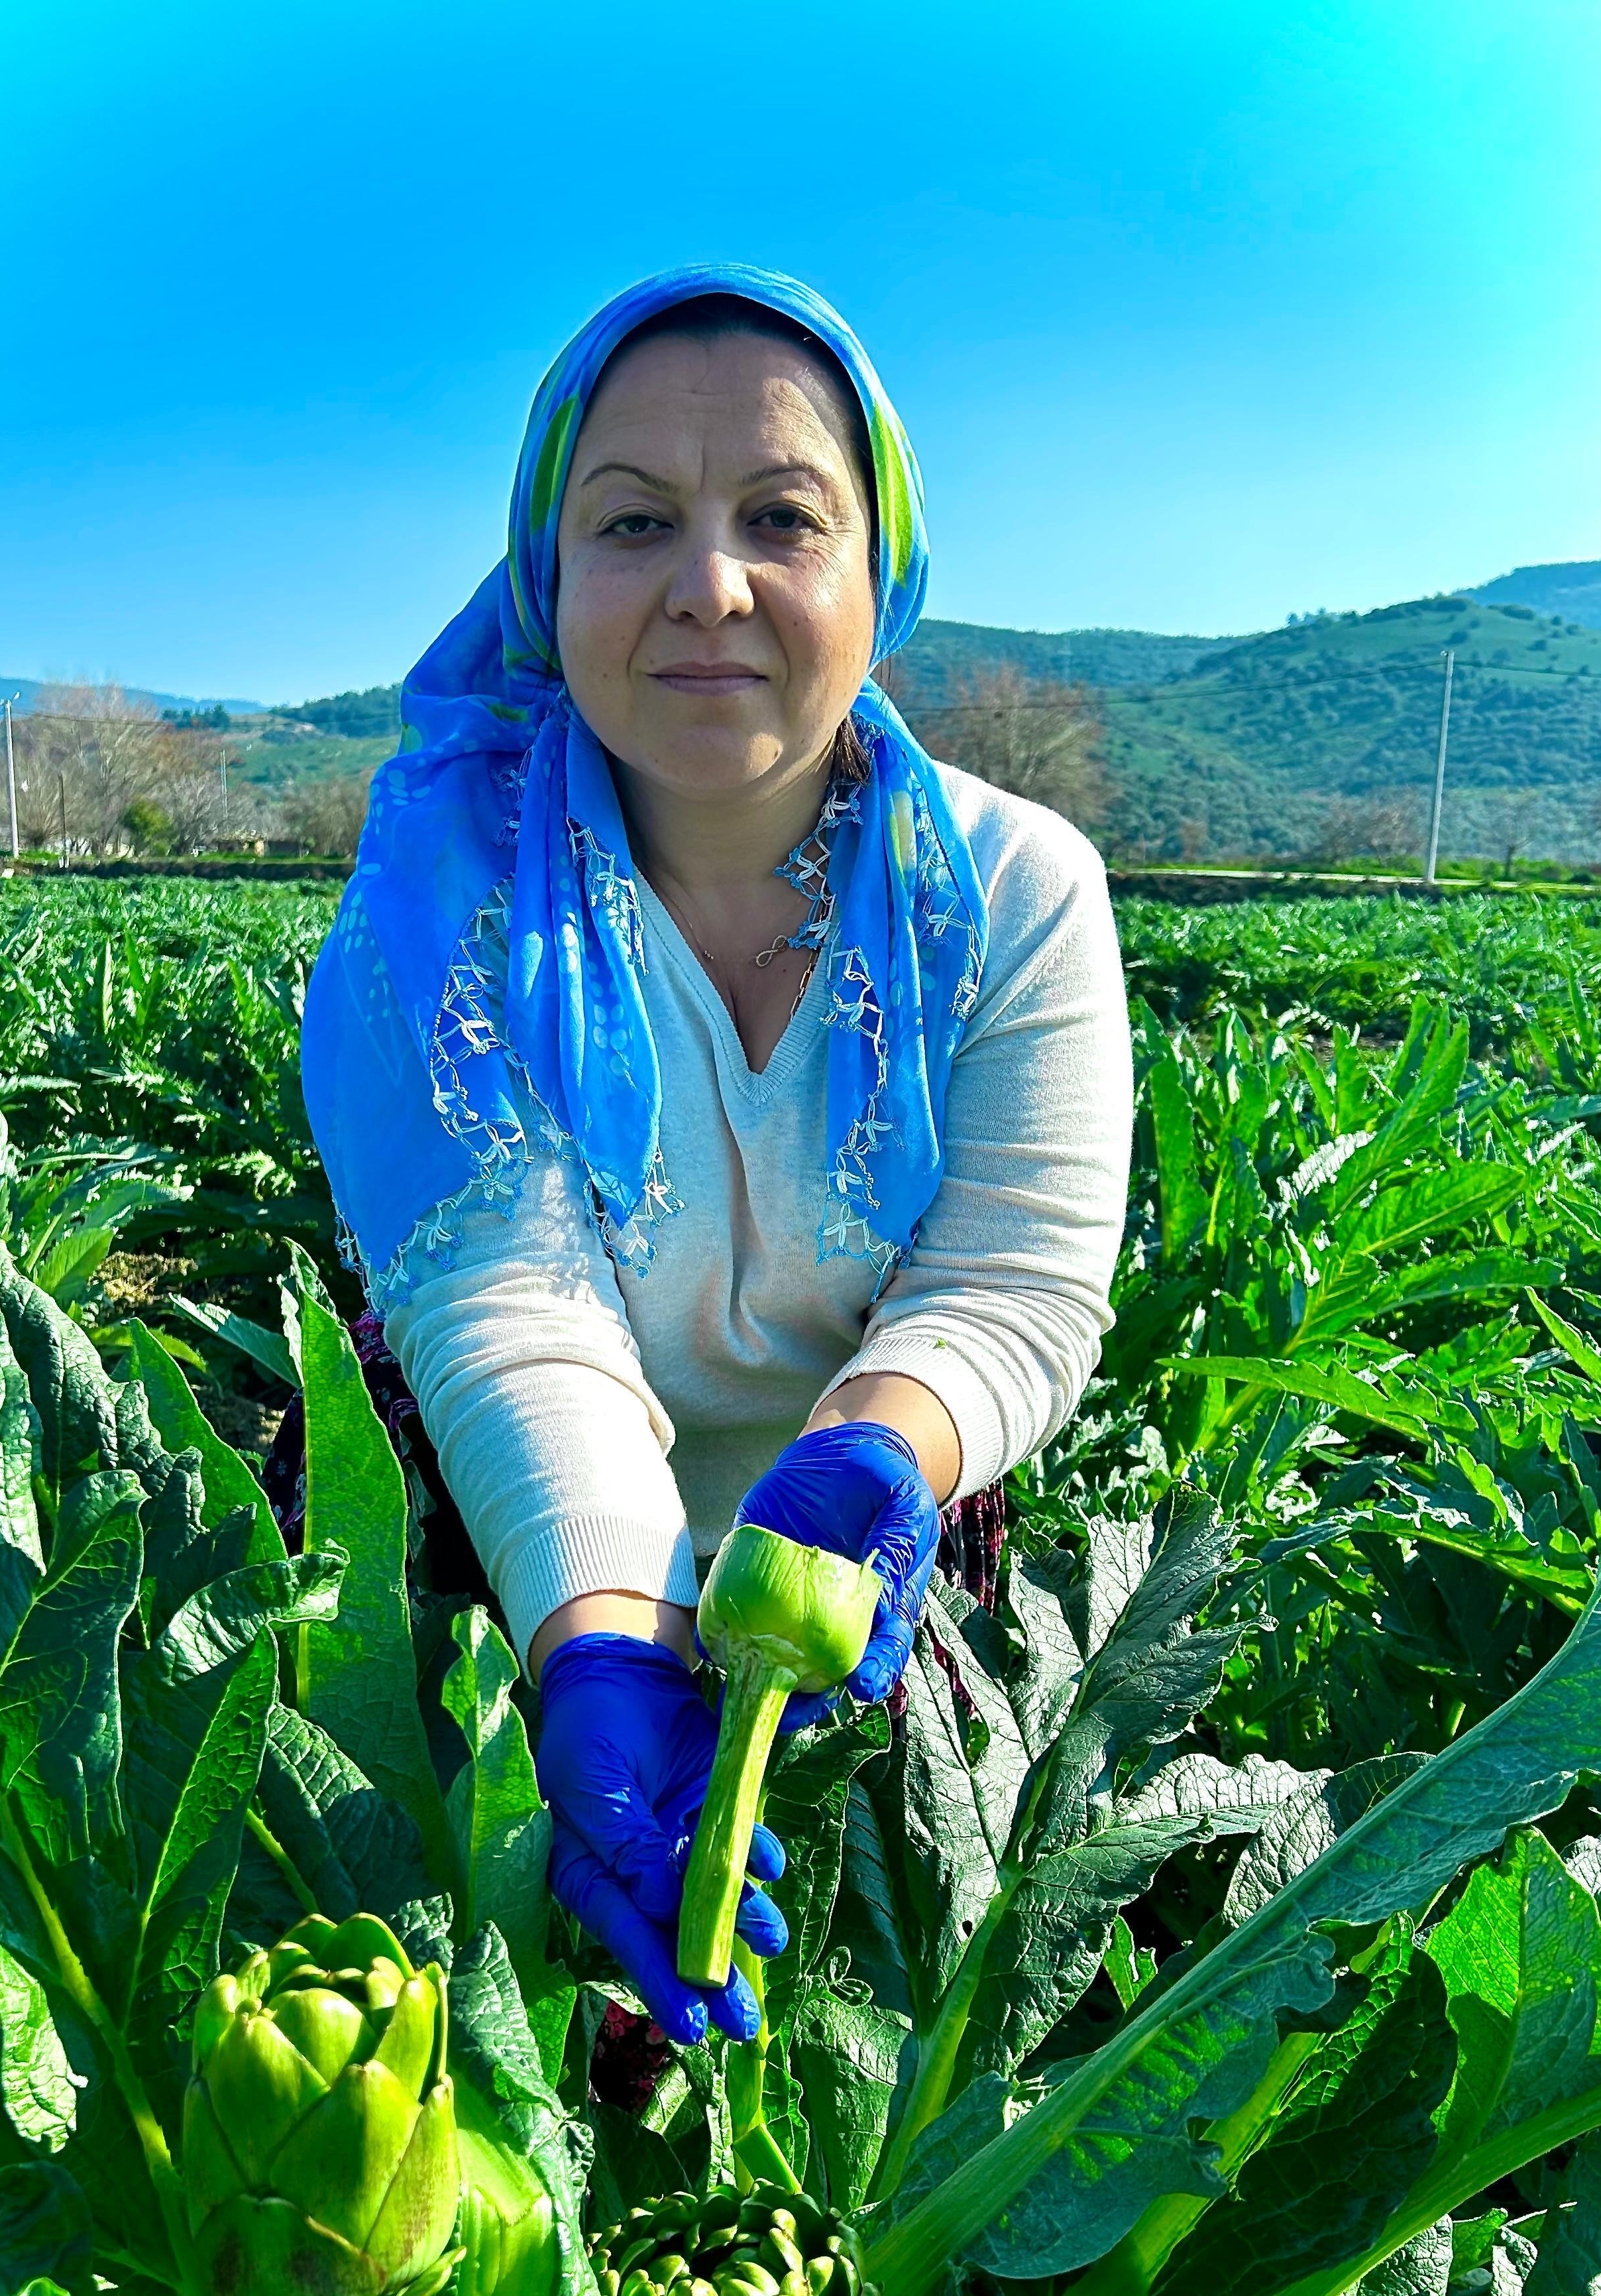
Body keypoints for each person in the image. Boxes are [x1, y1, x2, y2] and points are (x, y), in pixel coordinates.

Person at [302, 265, 1132, 2051]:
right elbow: (512, 1314)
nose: (709, 585)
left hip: (864, 1533)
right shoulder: (422, 926)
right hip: (504, 1508)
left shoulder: (1019, 893)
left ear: (878, 572)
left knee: (859, 2010)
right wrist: (599, 1635)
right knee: (450, 2003)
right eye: (632, 523)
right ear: (546, 577)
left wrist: (866, 1467)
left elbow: (1015, 1278)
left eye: (779, 517)